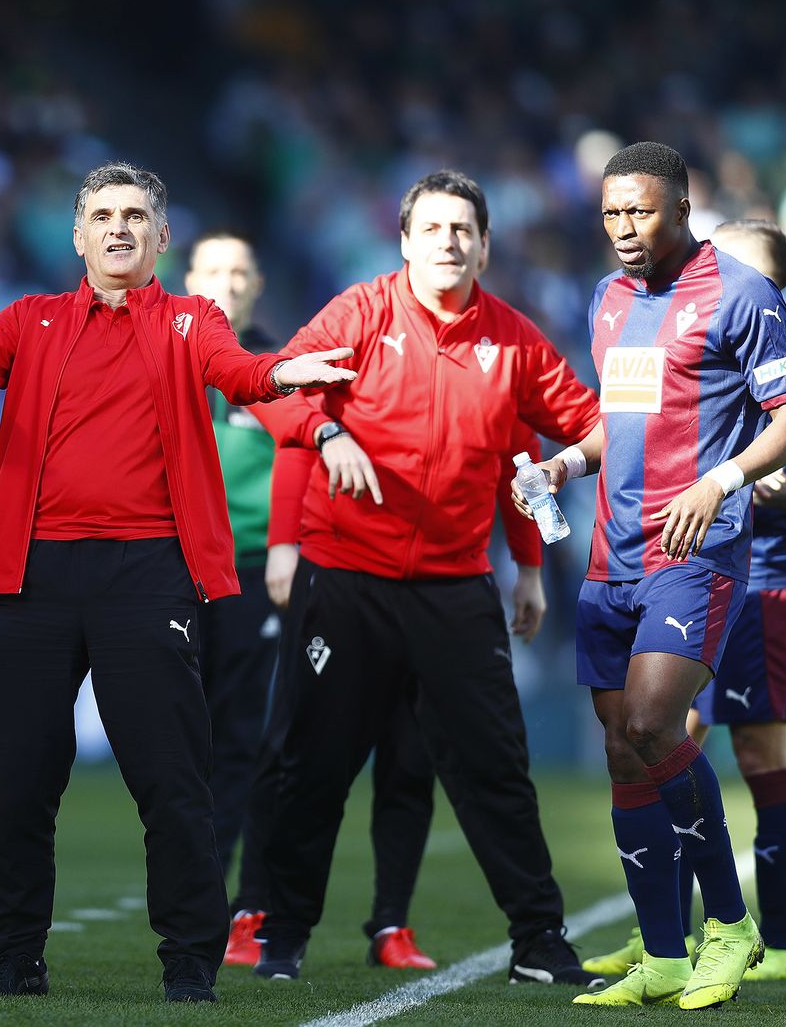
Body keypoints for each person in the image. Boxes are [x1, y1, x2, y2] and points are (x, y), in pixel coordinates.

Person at [0, 161, 357, 1004]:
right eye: (104, 216)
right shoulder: (31, 319)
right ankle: (13, 956)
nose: (119, 227)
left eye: (135, 216)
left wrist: (280, 376)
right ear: (79, 236)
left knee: (170, 781)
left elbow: (238, 372)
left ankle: (189, 960)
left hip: (149, 574)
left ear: (162, 237)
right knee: (16, 781)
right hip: (32, 575)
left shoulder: (193, 320)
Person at [245, 169, 603, 987]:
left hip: (454, 587)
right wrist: (325, 431)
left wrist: (561, 482)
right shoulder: (359, 313)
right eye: (433, 228)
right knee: (315, 766)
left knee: (497, 770)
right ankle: (284, 938)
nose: (448, 241)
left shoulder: (514, 340)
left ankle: (539, 944)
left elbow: (585, 428)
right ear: (404, 242)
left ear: (485, 247)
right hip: (346, 578)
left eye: (462, 230)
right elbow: (272, 385)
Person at [517, 142, 786, 1010]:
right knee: (622, 748)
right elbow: (622, 415)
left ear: (682, 207)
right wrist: (566, 462)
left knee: (653, 723)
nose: (623, 229)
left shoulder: (740, 294)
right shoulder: (608, 298)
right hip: (611, 554)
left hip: (697, 550)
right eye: (611, 213)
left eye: (640, 212)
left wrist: (721, 481)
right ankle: (663, 955)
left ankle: (730, 924)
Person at [581, 220, 786, 984]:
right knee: (654, 738)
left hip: (758, 577)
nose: (708, 271)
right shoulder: (664, 330)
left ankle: (772, 941)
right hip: (674, 566)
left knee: (753, 751)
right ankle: (665, 938)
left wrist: (741, 478)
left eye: (728, 261)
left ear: (768, 287)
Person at [225, 428, 550, 971]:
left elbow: (522, 454)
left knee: (411, 759)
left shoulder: (497, 375)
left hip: (437, 590)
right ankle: (257, 912)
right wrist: (283, 544)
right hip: (344, 578)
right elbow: (299, 427)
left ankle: (390, 923)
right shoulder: (350, 371)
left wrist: (530, 565)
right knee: (296, 750)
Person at [180, 231, 281, 883]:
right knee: (177, 726)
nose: (228, 282)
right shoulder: (162, 354)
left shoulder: (280, 366)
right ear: (190, 280)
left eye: (241, 271)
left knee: (239, 727)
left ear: (258, 285)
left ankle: (211, 874)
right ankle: (183, 862)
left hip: (250, 568)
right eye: (214, 269)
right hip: (172, 564)